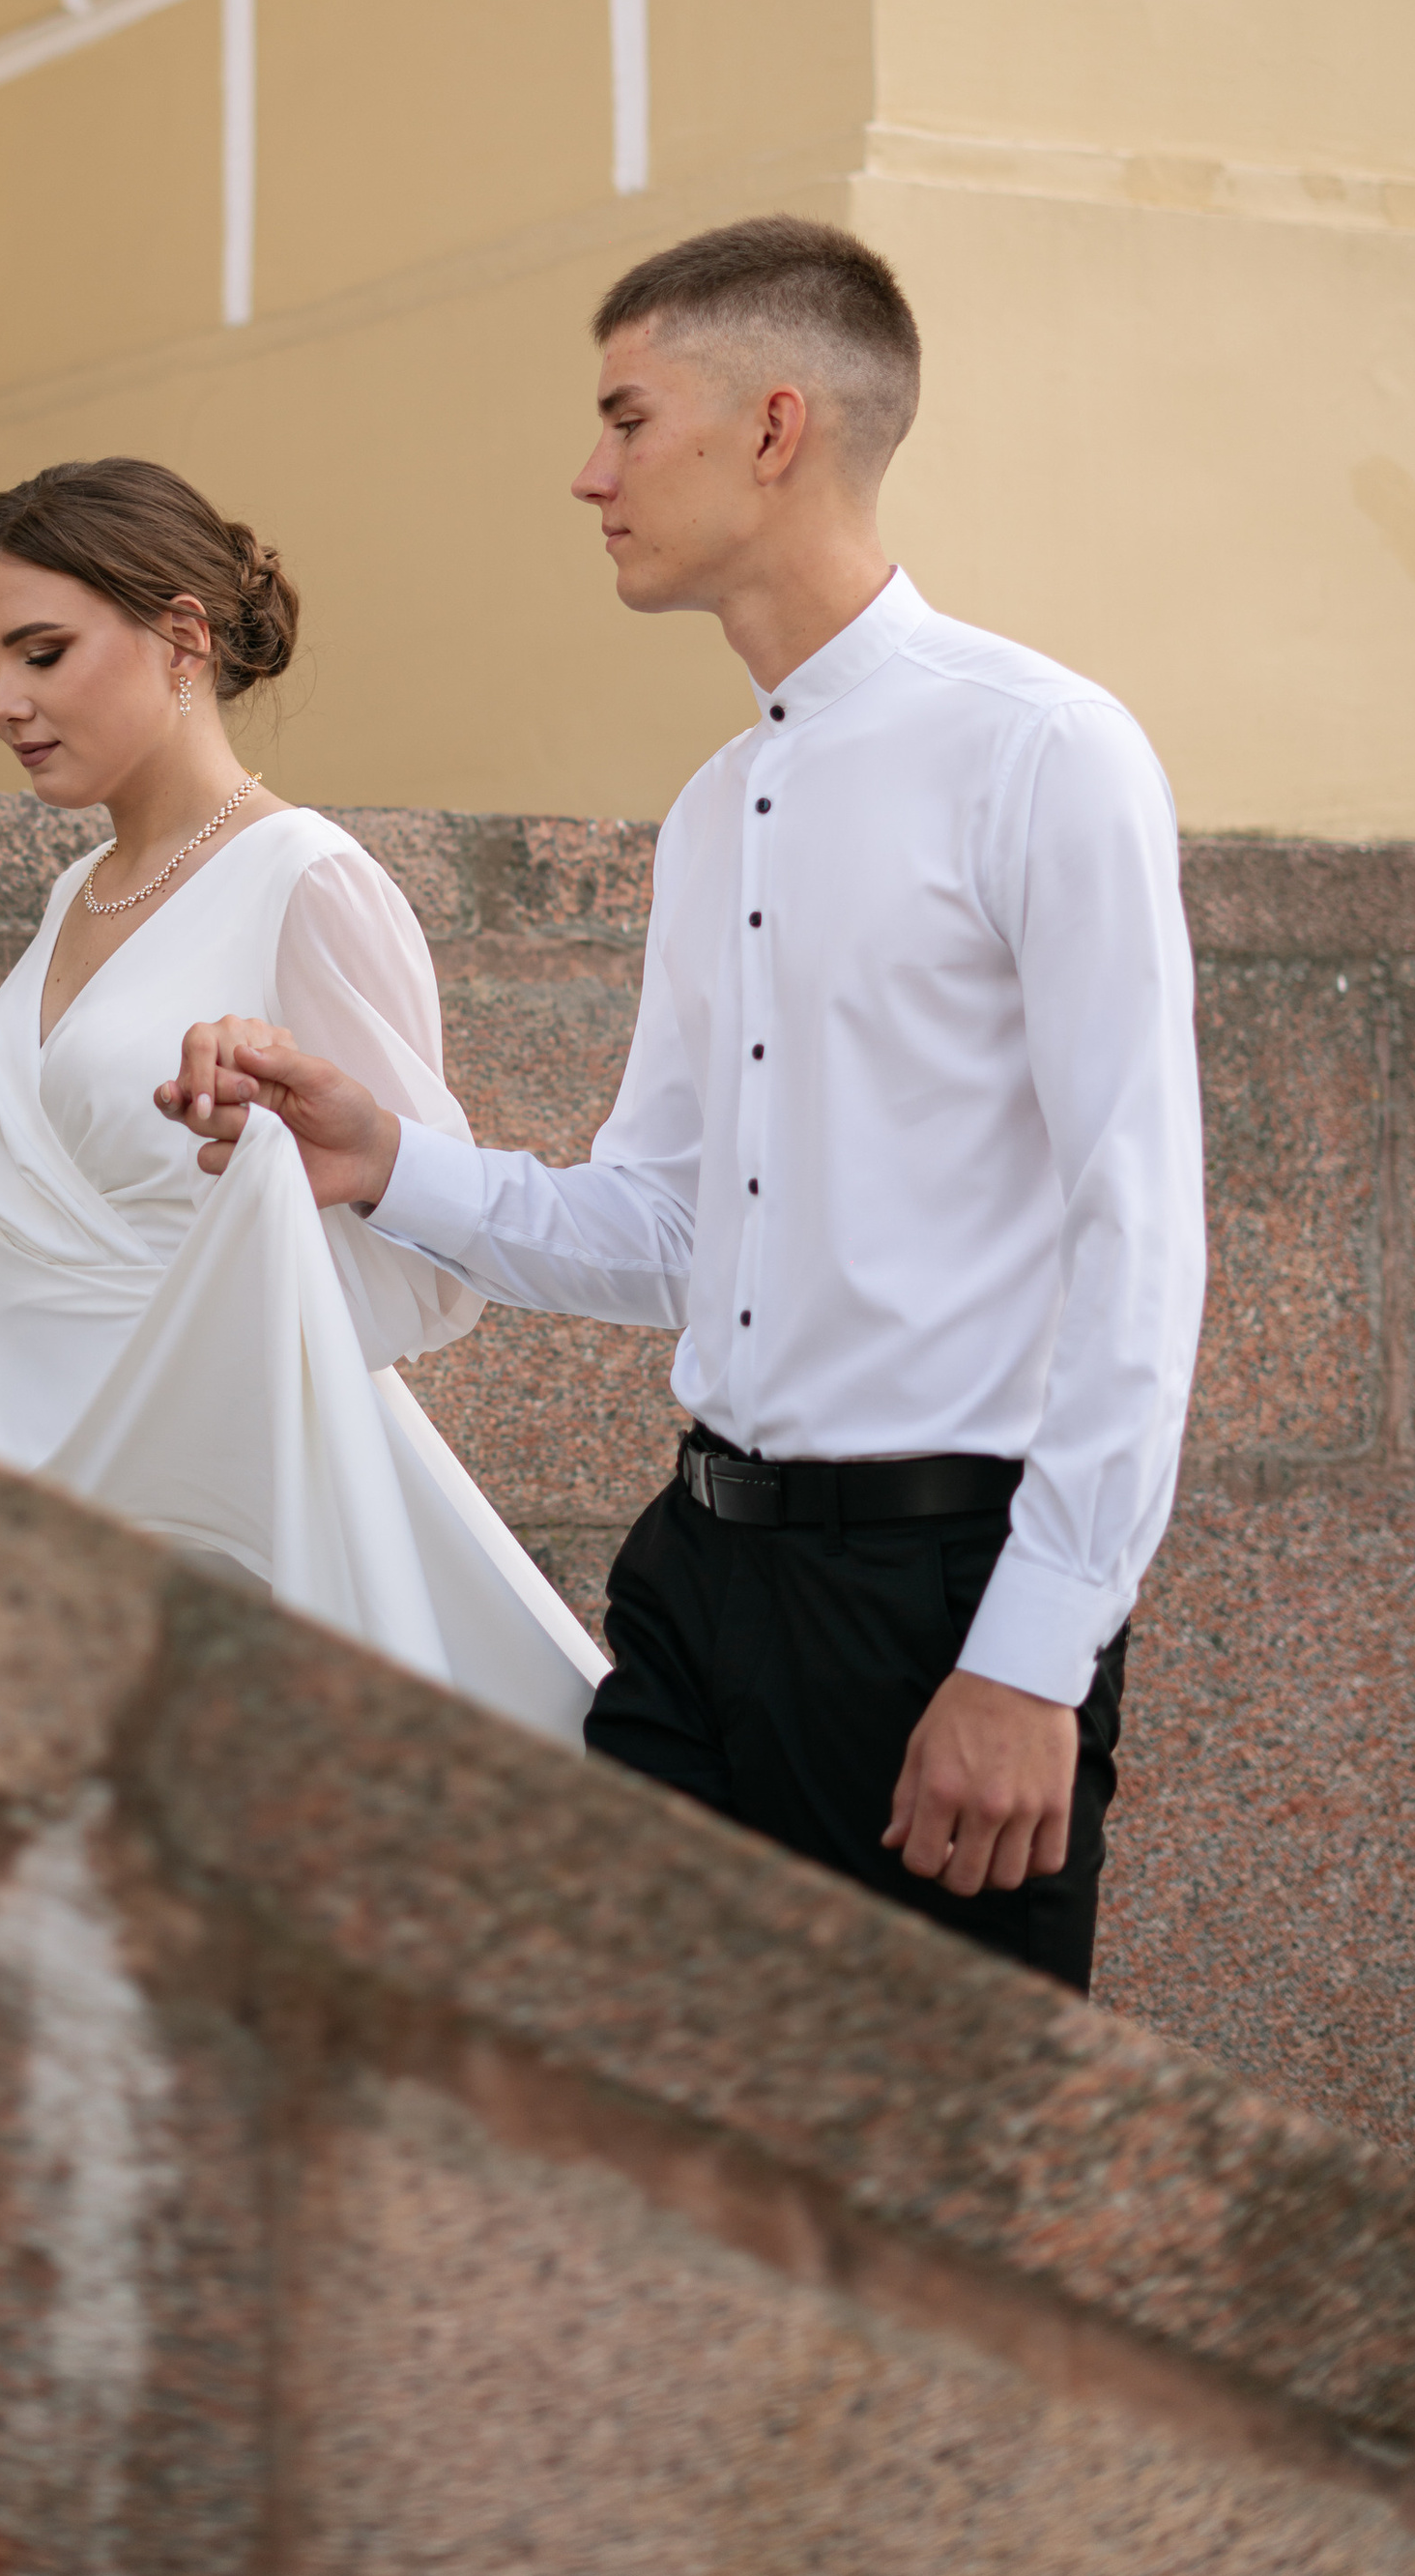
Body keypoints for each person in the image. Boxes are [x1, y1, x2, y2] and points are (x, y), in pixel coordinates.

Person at [158, 218, 1205, 1992]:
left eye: (627, 419)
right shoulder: (719, 805)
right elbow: (664, 1228)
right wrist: (381, 1158)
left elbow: (1142, 1233)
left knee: (916, 2213)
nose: (590, 474)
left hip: (935, 1600)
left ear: (775, 425)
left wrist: (1034, 1653)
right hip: (694, 1590)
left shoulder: (1044, 749)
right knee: (636, 2148)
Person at [0, 456, 603, 1751]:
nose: (8, 701)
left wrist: (265, 1171)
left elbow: (430, 1265)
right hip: (59, 1493)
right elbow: (24, 1180)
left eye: (42, 651)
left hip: (226, 1503)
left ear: (183, 637)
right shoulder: (80, 891)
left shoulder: (308, 880)